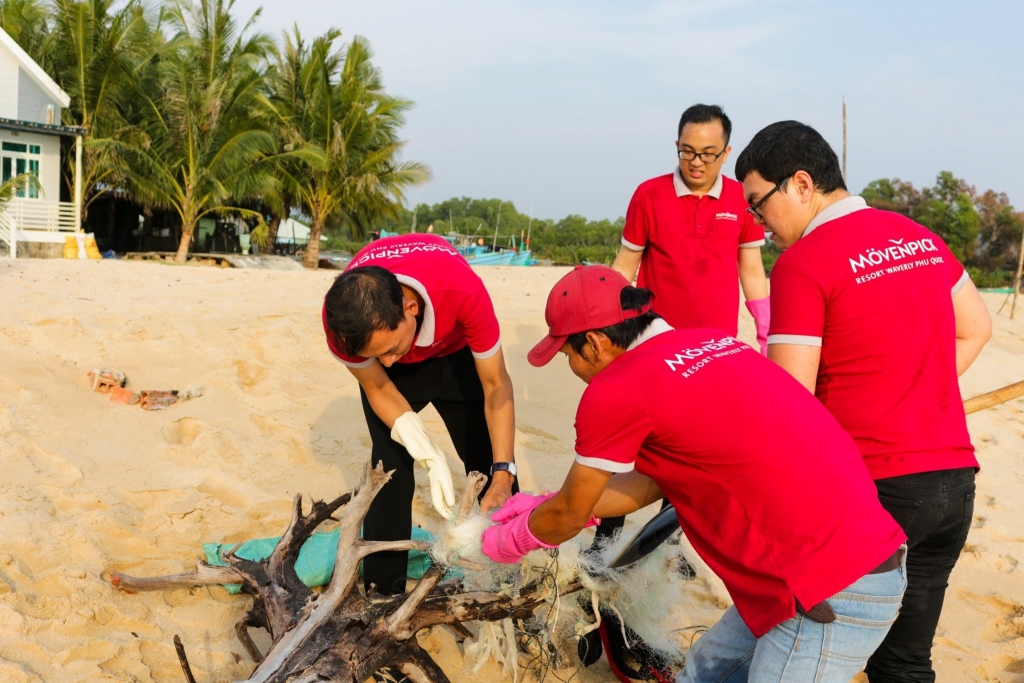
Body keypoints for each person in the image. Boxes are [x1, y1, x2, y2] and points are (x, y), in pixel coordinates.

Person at [483, 265, 908, 682]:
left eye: (566, 354)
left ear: (593, 343)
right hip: (859, 561)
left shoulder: (615, 389)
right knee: (701, 674)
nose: (572, 367)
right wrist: (547, 504)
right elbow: (655, 479)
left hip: (824, 591)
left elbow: (569, 519)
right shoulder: (714, 344)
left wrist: (509, 540)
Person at [735, 121, 992, 682]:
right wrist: (911, 392)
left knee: (807, 656)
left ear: (801, 184)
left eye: (760, 205)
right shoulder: (919, 236)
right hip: (952, 485)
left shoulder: (804, 262)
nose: (759, 225)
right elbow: (976, 327)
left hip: (875, 492)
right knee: (904, 664)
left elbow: (790, 404)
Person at [322, 233, 519, 596]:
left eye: (392, 348)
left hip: (457, 352)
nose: (389, 362)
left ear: (410, 307)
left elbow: (496, 385)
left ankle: (510, 579)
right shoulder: (341, 325)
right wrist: (427, 451)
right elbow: (380, 385)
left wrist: (504, 472)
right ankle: (384, 590)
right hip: (394, 380)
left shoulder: (462, 291)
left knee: (488, 457)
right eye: (376, 354)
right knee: (389, 467)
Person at [611, 103, 770, 352]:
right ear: (677, 146)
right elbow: (625, 265)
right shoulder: (648, 194)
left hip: (718, 341)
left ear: (726, 153)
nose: (696, 163)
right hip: (654, 335)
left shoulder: (741, 197)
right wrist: (609, 319)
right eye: (687, 151)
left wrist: (765, 327)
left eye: (708, 154)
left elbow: (751, 272)